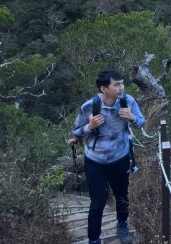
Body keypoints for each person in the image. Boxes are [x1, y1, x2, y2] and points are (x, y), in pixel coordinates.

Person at [70, 69, 145, 244]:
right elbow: (76, 132)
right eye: (116, 85)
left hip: (120, 157)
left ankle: (122, 225)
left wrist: (132, 118)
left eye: (122, 83)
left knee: (121, 196)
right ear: (104, 88)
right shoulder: (89, 106)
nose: (121, 88)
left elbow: (141, 123)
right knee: (98, 201)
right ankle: (94, 239)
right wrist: (90, 126)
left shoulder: (128, 101)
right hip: (95, 161)